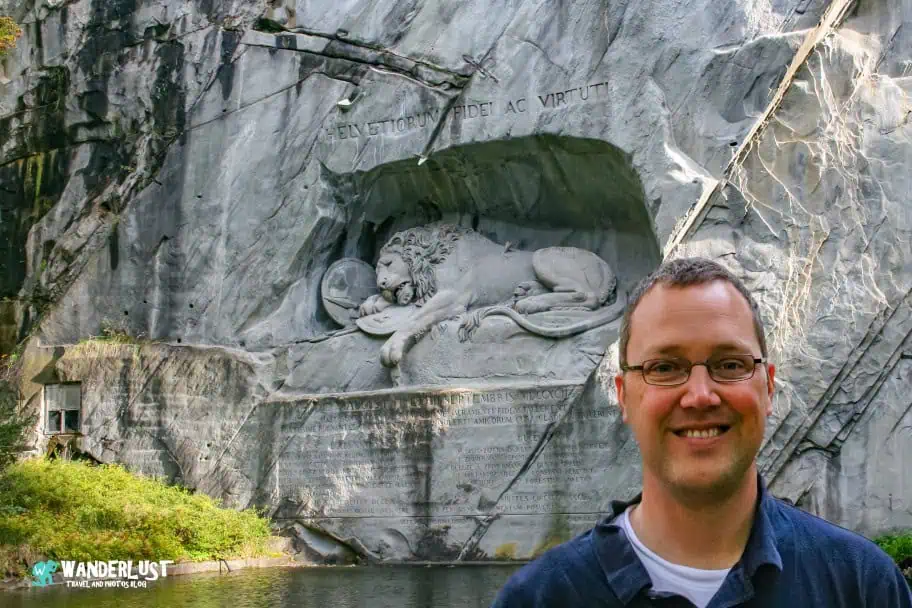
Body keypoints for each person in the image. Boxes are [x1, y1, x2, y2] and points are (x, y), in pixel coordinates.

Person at [491, 257, 912, 607]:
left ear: (767, 387)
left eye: (729, 364)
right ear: (623, 395)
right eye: (665, 368)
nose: (699, 395)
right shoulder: (539, 598)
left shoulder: (862, 586)